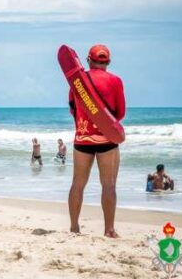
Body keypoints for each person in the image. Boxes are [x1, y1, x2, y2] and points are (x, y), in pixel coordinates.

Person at [67, 44, 126, 238]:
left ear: (88, 60)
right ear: (108, 62)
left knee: (78, 184)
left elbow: (72, 107)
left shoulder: (78, 81)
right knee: (108, 185)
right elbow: (120, 112)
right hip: (107, 139)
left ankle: (74, 227)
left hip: (83, 137)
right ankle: (109, 230)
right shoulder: (116, 81)